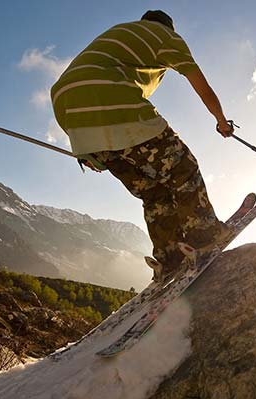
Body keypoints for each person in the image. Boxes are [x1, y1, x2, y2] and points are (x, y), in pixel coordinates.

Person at [51, 9, 234, 281]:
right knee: (183, 169)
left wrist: (87, 150)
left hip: (69, 112)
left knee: (154, 192)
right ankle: (205, 235)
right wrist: (221, 121)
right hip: (113, 101)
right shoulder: (166, 37)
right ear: (168, 27)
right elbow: (201, 85)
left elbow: (76, 90)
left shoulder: (122, 33)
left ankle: (169, 257)